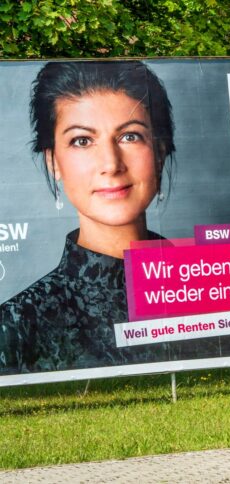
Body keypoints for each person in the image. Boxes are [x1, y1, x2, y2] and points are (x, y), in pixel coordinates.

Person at [0, 61, 177, 373]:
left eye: (130, 136)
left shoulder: (206, 288)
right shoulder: (16, 322)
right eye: (82, 140)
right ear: (54, 161)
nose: (111, 164)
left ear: (160, 151)